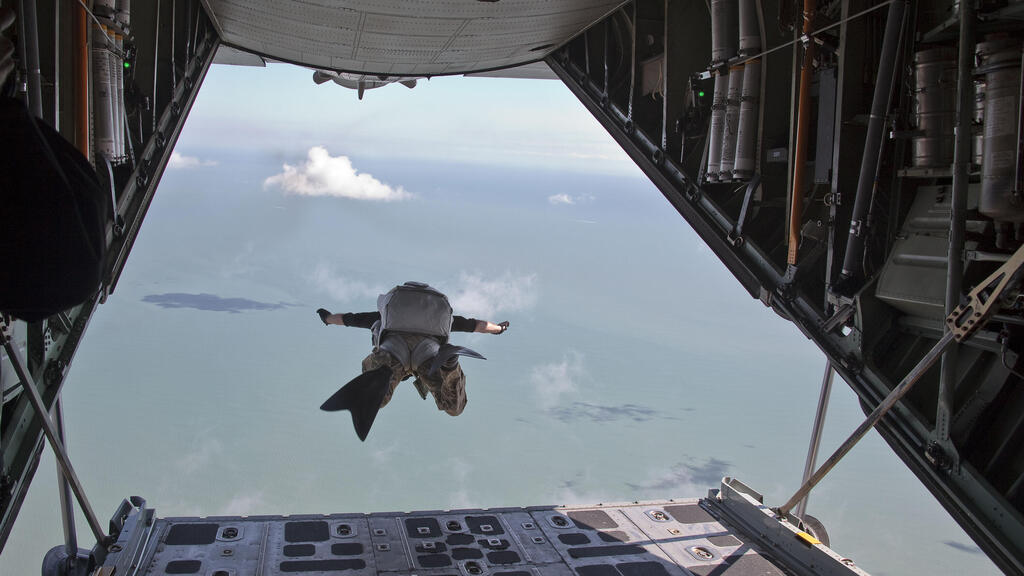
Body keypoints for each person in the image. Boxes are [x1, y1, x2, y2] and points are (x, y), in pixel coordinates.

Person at [317, 281, 509, 441]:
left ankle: (383, 370)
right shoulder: (443, 321)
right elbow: (475, 325)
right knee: (454, 407)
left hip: (392, 352)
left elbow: (348, 319)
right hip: (429, 354)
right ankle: (450, 366)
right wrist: (498, 329)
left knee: (377, 398)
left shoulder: (383, 317)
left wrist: (327, 318)